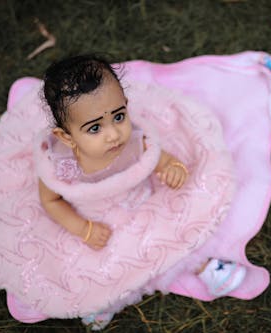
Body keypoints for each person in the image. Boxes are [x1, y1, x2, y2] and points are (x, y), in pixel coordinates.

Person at [38, 55, 246, 329]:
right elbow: (51, 201)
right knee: (104, 263)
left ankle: (201, 263)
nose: (114, 134)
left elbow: (160, 158)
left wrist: (173, 168)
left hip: (141, 202)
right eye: (95, 128)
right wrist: (83, 229)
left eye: (119, 116)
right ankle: (106, 300)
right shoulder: (61, 164)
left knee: (173, 229)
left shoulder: (134, 141)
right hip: (98, 218)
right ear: (67, 137)